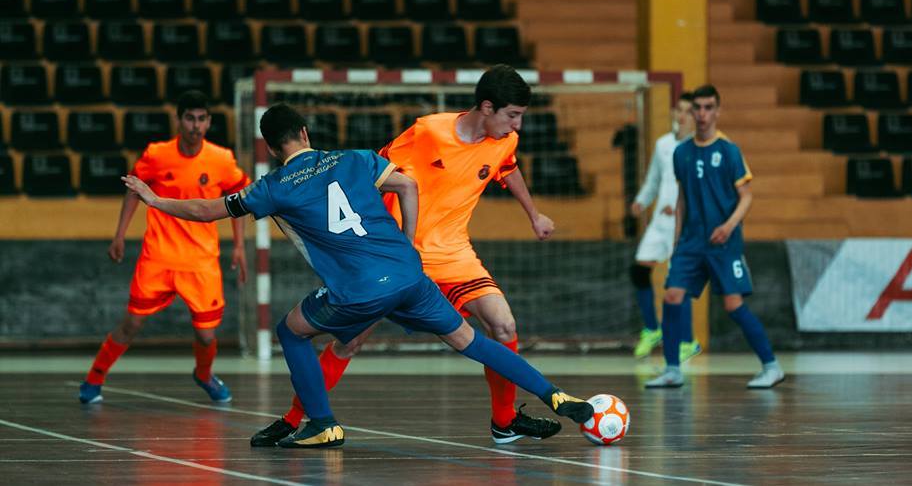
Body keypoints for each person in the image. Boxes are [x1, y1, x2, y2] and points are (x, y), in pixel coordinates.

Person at [121, 103, 596, 449]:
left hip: (356, 288)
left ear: (271, 146)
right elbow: (407, 184)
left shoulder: (273, 187)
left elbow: (209, 209)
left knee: (291, 330)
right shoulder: (354, 158)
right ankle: (554, 394)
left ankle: (322, 423)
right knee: (473, 342)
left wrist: (155, 200)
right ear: (306, 132)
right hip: (409, 274)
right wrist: (408, 242)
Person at [251, 64, 562, 447]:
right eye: (512, 115)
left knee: (504, 326)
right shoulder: (428, 131)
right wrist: (373, 246)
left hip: (454, 253)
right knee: (350, 342)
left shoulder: (505, 140)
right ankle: (295, 418)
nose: (517, 126)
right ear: (486, 107)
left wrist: (533, 215)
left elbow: (507, 169)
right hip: (400, 257)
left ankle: (505, 421)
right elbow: (376, 176)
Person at [78, 91, 250, 405]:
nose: (195, 126)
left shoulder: (221, 159)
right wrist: (119, 234)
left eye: (201, 119)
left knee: (207, 335)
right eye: (189, 118)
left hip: (201, 260)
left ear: (209, 122)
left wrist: (238, 245)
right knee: (132, 323)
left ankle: (204, 374)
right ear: (178, 120)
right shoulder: (157, 154)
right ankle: (94, 378)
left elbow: (237, 199)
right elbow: (133, 190)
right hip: (159, 255)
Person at [645, 84, 784, 390]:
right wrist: (677, 241)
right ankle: (672, 369)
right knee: (672, 296)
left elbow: (746, 196)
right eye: (698, 108)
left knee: (733, 305)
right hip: (691, 243)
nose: (703, 114)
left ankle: (771, 365)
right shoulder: (681, 153)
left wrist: (729, 225)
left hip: (724, 242)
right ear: (692, 112)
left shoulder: (729, 151)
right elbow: (681, 198)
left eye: (709, 107)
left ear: (718, 111)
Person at [630, 92, 700, 361]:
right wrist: (642, 201)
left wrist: (684, 207)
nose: (682, 116)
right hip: (661, 221)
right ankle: (651, 328)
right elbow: (654, 180)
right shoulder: (663, 145)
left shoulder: (698, 147)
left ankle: (688, 341)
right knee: (639, 270)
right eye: (679, 110)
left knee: (677, 281)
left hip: (685, 224)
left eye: (688, 112)